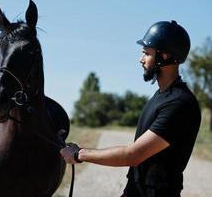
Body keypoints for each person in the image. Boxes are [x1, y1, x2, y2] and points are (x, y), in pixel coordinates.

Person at [60, 20, 201, 197]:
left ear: (164, 56)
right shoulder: (161, 96)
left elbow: (133, 155)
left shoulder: (180, 103)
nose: (141, 59)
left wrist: (79, 154)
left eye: (146, 53)